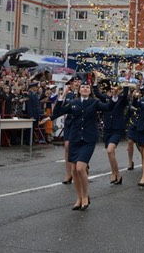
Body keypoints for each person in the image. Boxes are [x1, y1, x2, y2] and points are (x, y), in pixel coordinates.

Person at [41, 80, 117, 211]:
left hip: (88, 140)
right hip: (75, 139)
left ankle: (86, 196)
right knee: (74, 170)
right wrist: (62, 96)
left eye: (87, 87)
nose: (85, 89)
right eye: (83, 87)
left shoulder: (94, 102)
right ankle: (79, 197)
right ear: (79, 90)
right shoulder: (73, 103)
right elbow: (59, 111)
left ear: (90, 90)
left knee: (81, 168)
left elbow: (108, 107)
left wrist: (112, 96)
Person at [93, 73, 129, 185]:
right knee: (110, 153)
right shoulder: (106, 99)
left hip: (117, 129)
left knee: (110, 150)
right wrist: (95, 80)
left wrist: (126, 81)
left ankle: (114, 173)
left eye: (115, 89)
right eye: (111, 89)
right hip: (107, 129)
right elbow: (97, 93)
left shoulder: (122, 99)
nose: (113, 91)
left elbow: (127, 93)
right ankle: (117, 174)